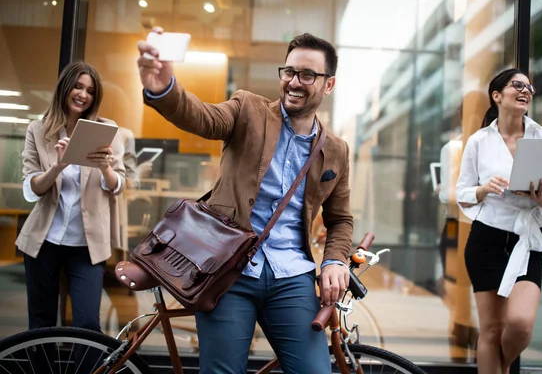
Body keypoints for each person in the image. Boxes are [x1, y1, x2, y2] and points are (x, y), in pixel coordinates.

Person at [136, 28, 353, 374]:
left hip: (292, 276)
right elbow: (202, 117)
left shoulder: (336, 150)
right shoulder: (249, 110)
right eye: (289, 71)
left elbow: (340, 219)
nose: (294, 81)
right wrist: (163, 88)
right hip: (228, 270)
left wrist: (334, 262)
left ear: (329, 85)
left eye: (308, 74)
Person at [456, 68, 542, 374]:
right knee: (490, 330)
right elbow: (462, 192)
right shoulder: (479, 141)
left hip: (526, 241)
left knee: (519, 324)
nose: (526, 90)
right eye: (518, 85)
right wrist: (485, 188)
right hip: (486, 239)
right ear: (497, 95)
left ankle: (498, 369)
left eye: (529, 87)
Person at [17, 61, 126, 332]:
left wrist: (105, 167)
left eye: (90, 90)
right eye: (78, 86)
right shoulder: (38, 130)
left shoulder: (106, 129)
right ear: (65, 88)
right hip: (44, 241)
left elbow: (118, 185)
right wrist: (59, 165)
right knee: (40, 324)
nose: (83, 94)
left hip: (87, 245)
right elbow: (31, 190)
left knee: (88, 324)